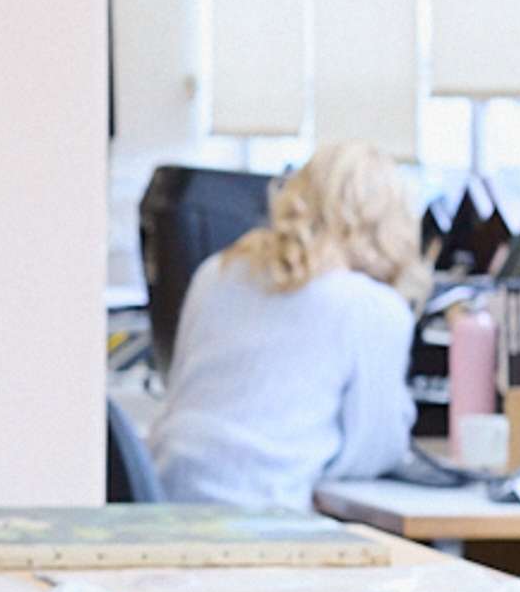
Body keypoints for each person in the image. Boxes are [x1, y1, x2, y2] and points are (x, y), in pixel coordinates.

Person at [148, 140, 426, 511]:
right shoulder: (371, 306)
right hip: (269, 520)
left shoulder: (216, 272)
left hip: (163, 503)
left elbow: (178, 392)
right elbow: (373, 451)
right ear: (389, 223)